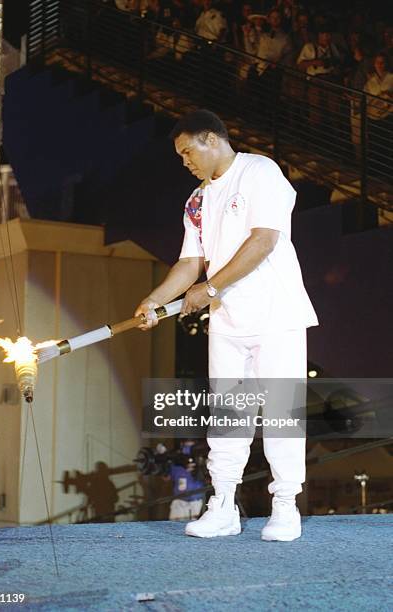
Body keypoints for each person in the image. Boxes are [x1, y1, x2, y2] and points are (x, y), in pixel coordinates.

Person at [135, 109, 318, 541]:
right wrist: (155, 299)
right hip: (228, 323)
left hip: (277, 316)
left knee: (280, 416)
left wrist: (209, 289)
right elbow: (189, 262)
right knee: (228, 417)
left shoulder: (260, 171)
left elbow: (263, 241)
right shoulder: (197, 201)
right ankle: (222, 506)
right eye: (180, 156)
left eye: (187, 152)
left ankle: (286, 506)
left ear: (210, 138)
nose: (185, 162)